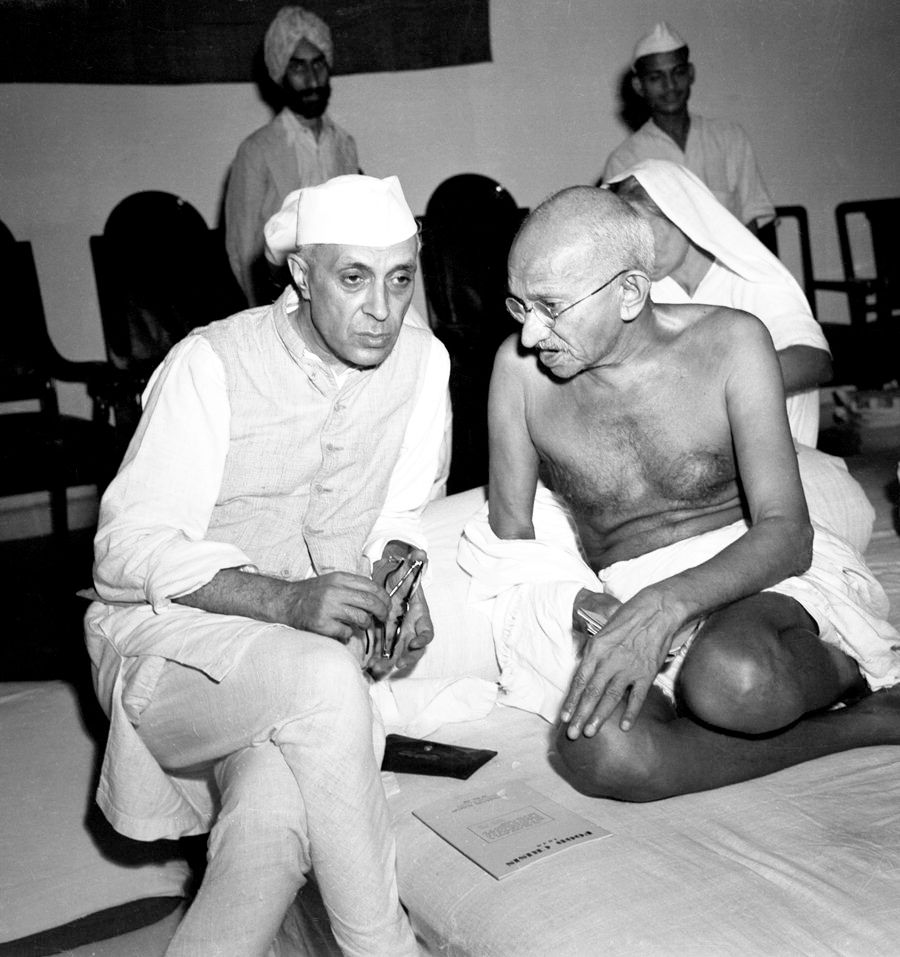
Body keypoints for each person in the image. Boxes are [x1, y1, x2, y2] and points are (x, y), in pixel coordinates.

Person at [85, 174, 450, 955]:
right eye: (354, 279)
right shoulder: (211, 363)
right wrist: (285, 602)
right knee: (324, 677)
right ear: (303, 275)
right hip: (170, 649)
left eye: (400, 279)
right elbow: (121, 553)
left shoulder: (424, 364)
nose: (382, 310)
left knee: (272, 823)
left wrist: (396, 574)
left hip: (298, 679)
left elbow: (400, 513)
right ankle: (382, 946)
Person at [458, 186, 900, 802]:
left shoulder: (731, 343)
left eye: (551, 307)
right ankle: (863, 724)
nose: (531, 334)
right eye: (520, 305)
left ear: (629, 292)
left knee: (733, 679)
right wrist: (581, 601)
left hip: (754, 573)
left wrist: (664, 608)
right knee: (598, 751)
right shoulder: (518, 373)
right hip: (630, 587)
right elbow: (513, 540)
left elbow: (787, 534)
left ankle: (844, 670)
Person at [605, 159, 874, 552]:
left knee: (831, 517)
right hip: (677, 461)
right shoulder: (640, 291)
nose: (639, 253)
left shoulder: (750, 276)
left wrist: (719, 386)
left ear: (683, 216)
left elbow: (815, 361)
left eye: (647, 233)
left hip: (774, 452)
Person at [225, 5, 360, 306]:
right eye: (298, 67)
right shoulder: (257, 150)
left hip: (341, 300)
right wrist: (265, 318)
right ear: (280, 74)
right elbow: (242, 251)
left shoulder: (344, 145)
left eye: (318, 64)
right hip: (281, 302)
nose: (312, 79)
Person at [602, 22, 774, 233]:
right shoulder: (625, 160)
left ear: (691, 73)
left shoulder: (729, 139)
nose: (670, 85)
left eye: (678, 72)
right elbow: (624, 240)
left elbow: (753, 219)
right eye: (656, 77)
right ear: (639, 86)